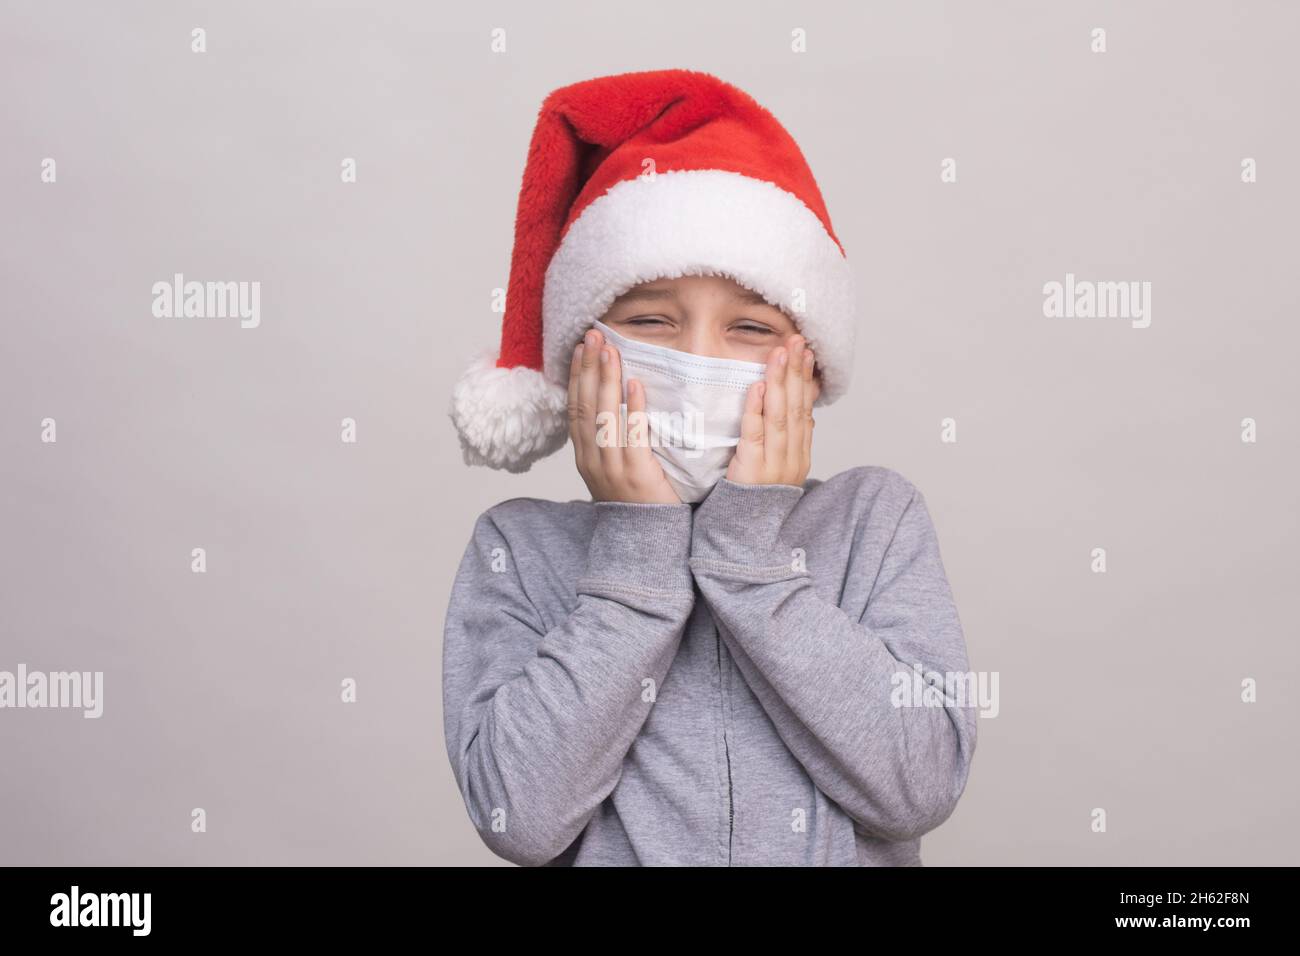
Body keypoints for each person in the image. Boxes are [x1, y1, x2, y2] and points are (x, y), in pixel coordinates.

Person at [442, 68, 977, 866]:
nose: (697, 361)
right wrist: (635, 556)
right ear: (579, 352)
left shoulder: (875, 522)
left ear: (813, 362)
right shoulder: (517, 553)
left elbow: (920, 786)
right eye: (650, 319)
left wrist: (753, 563)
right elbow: (515, 813)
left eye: (751, 328)